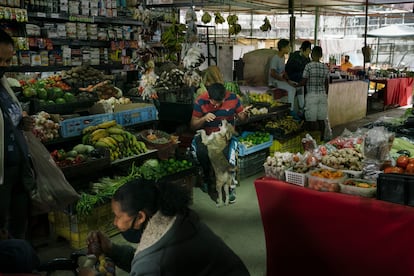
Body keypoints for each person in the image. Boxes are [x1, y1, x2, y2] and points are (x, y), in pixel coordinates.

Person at [80, 179, 250, 276]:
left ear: (140, 217)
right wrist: (112, 250)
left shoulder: (154, 263)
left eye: (118, 216)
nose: (115, 223)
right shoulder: (180, 219)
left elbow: (150, 265)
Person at [0, 28, 35, 240]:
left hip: (18, 170)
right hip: (1, 177)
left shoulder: (4, 85)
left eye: (7, 61)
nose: (3, 66)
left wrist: (21, 122)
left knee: (19, 225)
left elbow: (9, 119)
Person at [190, 82, 250, 203]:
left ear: (224, 96)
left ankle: (231, 186)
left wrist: (244, 115)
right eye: (214, 102)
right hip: (207, 137)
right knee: (201, 152)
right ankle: (207, 178)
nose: (217, 105)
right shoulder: (200, 101)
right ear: (209, 97)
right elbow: (192, 126)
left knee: (229, 155)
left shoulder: (233, 98)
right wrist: (203, 118)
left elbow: (242, 119)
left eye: (220, 102)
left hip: (226, 136)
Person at [297, 46, 330, 140]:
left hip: (311, 95)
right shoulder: (325, 67)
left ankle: (310, 141)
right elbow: (327, 83)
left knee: (310, 120)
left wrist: (295, 85)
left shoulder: (309, 66)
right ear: (321, 55)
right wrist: (325, 95)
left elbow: (303, 81)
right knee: (321, 119)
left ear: (312, 55)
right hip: (322, 95)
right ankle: (322, 139)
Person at [268, 39, 297, 112]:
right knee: (292, 89)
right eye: (288, 47)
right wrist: (284, 81)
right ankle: (291, 110)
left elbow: (283, 71)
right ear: (283, 48)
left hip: (280, 80)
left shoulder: (283, 57)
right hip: (273, 82)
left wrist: (288, 80)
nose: (289, 48)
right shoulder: (275, 58)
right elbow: (272, 73)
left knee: (296, 85)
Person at [285, 40, 312, 115]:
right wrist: (289, 80)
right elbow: (287, 70)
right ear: (306, 49)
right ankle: (291, 114)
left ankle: (300, 113)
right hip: (292, 82)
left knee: (301, 102)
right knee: (291, 100)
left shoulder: (307, 59)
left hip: (300, 84)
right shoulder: (294, 56)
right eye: (309, 50)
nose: (309, 53)